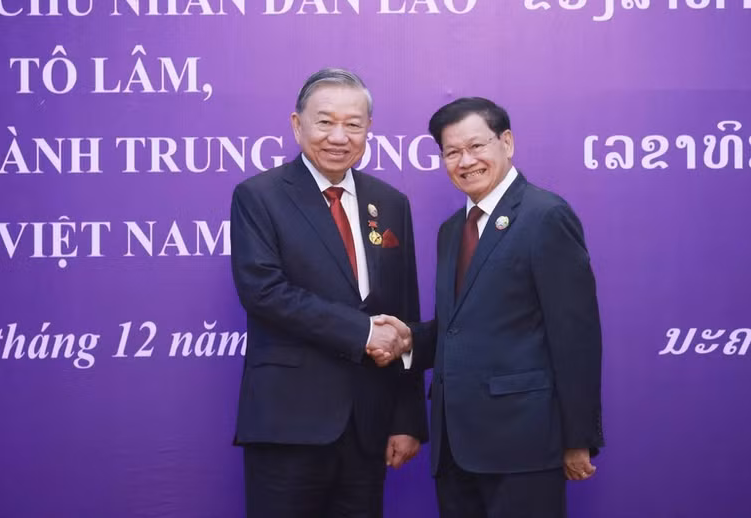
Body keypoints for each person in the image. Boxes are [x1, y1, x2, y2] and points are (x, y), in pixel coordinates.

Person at [372, 97, 604, 518]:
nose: (466, 161)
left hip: (524, 444)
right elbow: (457, 328)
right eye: (452, 152)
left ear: (507, 142)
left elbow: (576, 335)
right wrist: (407, 339)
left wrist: (578, 436)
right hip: (456, 448)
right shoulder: (451, 231)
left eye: (477, 146)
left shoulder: (545, 216)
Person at [230, 68, 427, 518]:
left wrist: (407, 419)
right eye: (325, 121)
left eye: (353, 124)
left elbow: (404, 314)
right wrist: (362, 333)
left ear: (368, 130)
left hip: (367, 427)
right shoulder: (259, 196)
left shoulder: (391, 202)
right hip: (288, 423)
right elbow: (264, 291)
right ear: (297, 125)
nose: (339, 136)